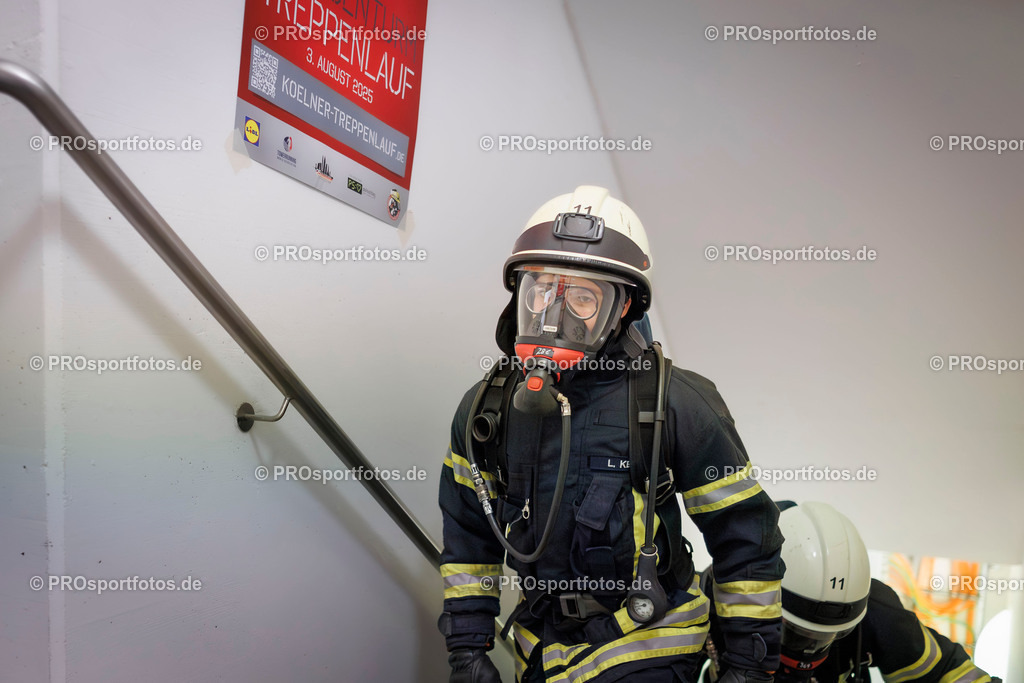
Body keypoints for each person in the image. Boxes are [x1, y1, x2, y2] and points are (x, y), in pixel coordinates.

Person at [437, 186, 785, 682]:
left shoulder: (676, 403)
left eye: (582, 297)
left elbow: (748, 539)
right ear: (520, 292)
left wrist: (750, 667)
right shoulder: (486, 410)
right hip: (542, 651)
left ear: (622, 308)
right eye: (541, 290)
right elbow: (469, 539)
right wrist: (468, 651)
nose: (553, 315)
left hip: (649, 644)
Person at [699, 501, 1001, 683]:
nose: (809, 650)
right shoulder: (715, 599)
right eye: (798, 634)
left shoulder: (878, 613)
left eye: (826, 637)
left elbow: (948, 672)